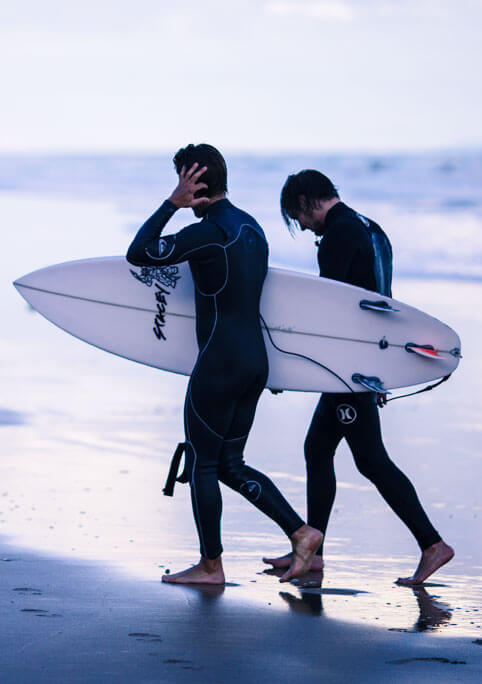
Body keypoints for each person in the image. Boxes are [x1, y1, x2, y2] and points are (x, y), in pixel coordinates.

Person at [126, 146, 322, 585]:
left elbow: (139, 253)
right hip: (255, 361)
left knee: (203, 464)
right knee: (231, 463)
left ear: (191, 182)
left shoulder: (209, 232)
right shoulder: (252, 228)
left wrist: (170, 205)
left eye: (182, 180)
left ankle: (211, 566)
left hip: (219, 362)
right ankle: (301, 532)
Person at [263, 169, 454, 585]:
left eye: (296, 216)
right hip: (364, 364)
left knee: (371, 459)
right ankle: (312, 551)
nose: (300, 226)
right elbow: (383, 302)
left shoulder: (337, 236)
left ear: (305, 201)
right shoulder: (371, 229)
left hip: (346, 368)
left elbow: (328, 314)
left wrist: (288, 369)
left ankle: (431, 543)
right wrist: (382, 369)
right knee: (317, 448)